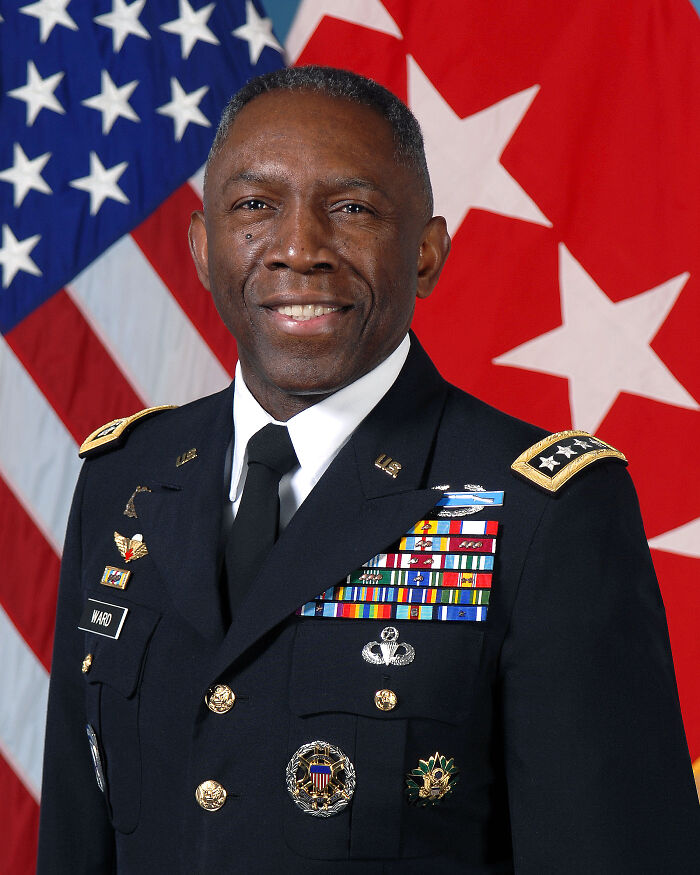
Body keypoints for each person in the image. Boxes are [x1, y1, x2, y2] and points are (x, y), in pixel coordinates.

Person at [38, 66, 699, 874]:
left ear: (425, 254)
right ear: (203, 250)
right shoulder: (124, 481)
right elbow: (78, 838)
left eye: (350, 209)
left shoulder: (541, 514)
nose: (298, 248)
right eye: (254, 206)